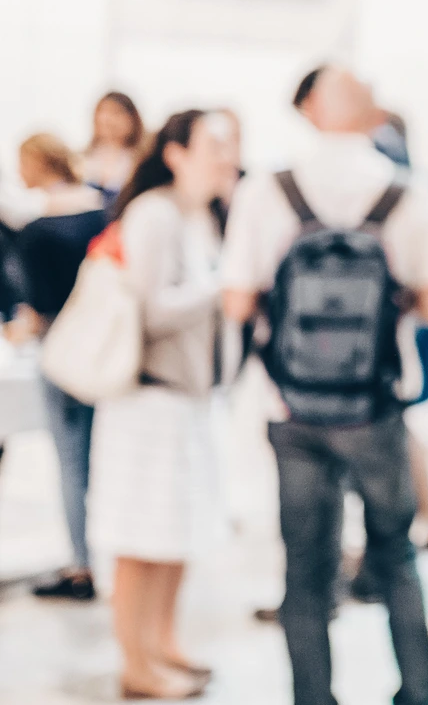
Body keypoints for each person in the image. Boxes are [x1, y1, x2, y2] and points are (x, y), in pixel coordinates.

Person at [222, 65, 428, 705]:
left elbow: (238, 303)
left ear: (309, 111)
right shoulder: (409, 192)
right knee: (396, 555)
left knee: (304, 570)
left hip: (291, 406)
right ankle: (416, 692)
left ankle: (314, 697)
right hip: (376, 407)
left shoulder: (266, 190)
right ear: (370, 113)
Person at [86, 110, 228, 700]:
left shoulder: (200, 217)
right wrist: (221, 288)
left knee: (176, 531)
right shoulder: (154, 214)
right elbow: (150, 309)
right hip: (146, 397)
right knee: (139, 536)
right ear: (176, 151)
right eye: (216, 144)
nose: (227, 155)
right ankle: (135, 663)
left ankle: (164, 645)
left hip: (188, 399)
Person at [0, 135, 106, 602]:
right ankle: (105, 554)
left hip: (61, 350)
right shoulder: (104, 211)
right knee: (101, 456)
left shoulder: (39, 230)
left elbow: (36, 308)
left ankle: (83, 563)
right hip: (104, 347)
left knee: (71, 461)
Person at [83, 91, 145, 213]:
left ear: (132, 118)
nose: (107, 119)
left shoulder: (140, 159)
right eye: (103, 112)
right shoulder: (85, 158)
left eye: (116, 112)